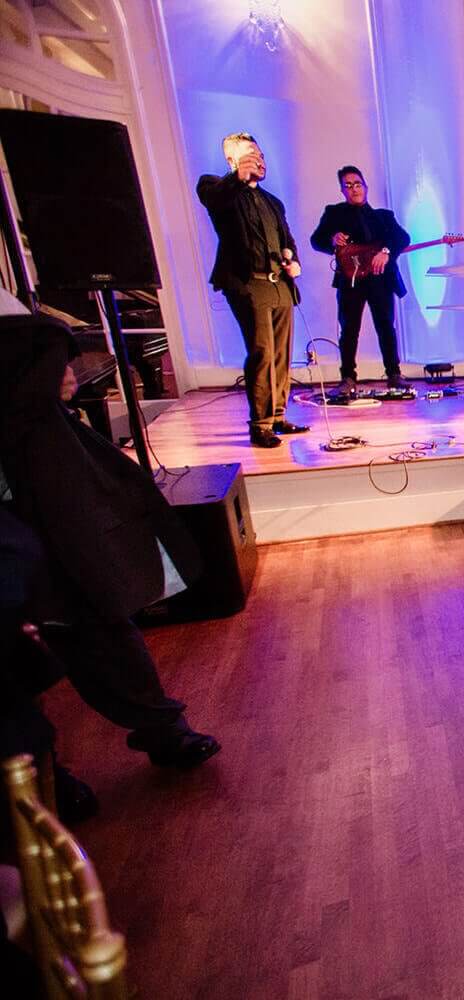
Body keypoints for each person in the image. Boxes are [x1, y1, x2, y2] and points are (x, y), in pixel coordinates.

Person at [0, 311, 220, 770]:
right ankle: (39, 777)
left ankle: (163, 729)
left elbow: (37, 339)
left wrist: (51, 364)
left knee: (97, 611)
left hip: (38, 479)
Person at [196, 132, 308, 448]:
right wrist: (237, 177)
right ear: (232, 161)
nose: (258, 160)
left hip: (279, 285)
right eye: (249, 155)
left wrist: (294, 262)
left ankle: (277, 415)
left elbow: (287, 238)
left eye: (259, 154)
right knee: (262, 352)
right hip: (248, 284)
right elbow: (215, 199)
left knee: (283, 353)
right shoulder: (215, 187)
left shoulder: (273, 201)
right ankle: (259, 424)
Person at [310, 165, 413, 395]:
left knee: (386, 327)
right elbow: (316, 240)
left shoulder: (383, 217)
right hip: (351, 281)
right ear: (342, 190)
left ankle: (394, 374)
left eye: (357, 184)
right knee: (349, 329)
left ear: (365, 187)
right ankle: (347, 377)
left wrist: (385, 251)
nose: (353, 189)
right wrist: (332, 239)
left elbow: (403, 238)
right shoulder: (334, 213)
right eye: (348, 185)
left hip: (379, 280)